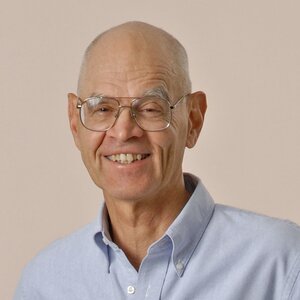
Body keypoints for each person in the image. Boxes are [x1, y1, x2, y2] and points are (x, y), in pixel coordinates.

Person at [14, 21, 300, 300]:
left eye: (151, 108)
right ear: (75, 124)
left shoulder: (282, 262)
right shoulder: (44, 284)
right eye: (102, 108)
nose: (124, 131)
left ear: (193, 119)